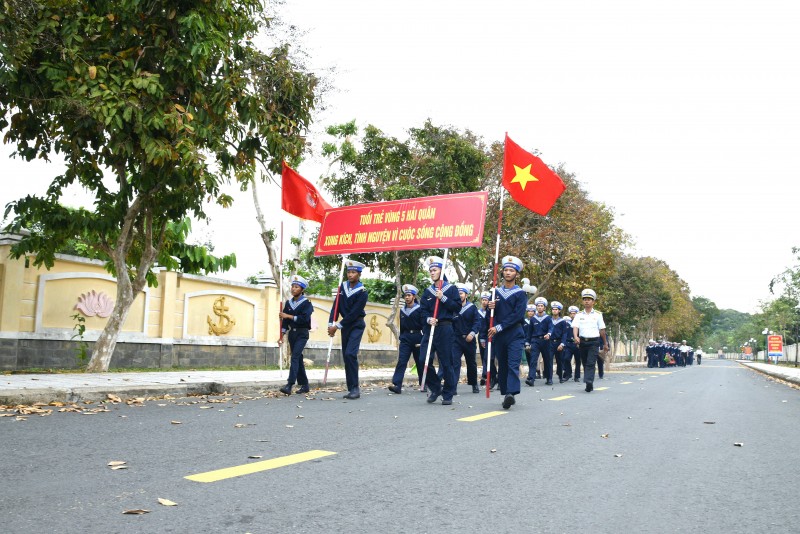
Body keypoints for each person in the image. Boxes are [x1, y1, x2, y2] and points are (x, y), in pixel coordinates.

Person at [419, 256, 461, 406]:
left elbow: (457, 307)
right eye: (430, 270)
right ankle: (436, 388)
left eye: (434, 270)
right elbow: (422, 312)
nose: (432, 272)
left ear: (441, 271)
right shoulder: (427, 292)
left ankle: (448, 393)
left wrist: (443, 298)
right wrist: (428, 319)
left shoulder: (451, 289)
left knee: (446, 362)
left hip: (445, 328)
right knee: (422, 360)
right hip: (430, 329)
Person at [487, 255, 527, 409]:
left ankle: (511, 392)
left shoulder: (520, 294)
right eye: (506, 270)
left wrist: (499, 326)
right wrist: (489, 308)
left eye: (511, 270)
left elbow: (517, 315)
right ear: (502, 272)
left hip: (515, 334)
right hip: (499, 335)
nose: (508, 272)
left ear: (516, 274)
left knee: (512, 363)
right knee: (502, 364)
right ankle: (506, 392)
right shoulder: (495, 293)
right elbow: (489, 317)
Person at [328, 260, 368, 400]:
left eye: (353, 272)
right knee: (346, 355)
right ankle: (350, 388)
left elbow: (354, 313)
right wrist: (330, 323)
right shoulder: (342, 287)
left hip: (356, 324)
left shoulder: (363, 292)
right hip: (345, 325)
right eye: (349, 272)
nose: (350, 275)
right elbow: (336, 307)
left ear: (359, 274)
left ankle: (355, 388)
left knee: (351, 354)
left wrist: (337, 326)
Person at [278, 275, 313, 395]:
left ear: (302, 289)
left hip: (302, 333)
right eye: (292, 286)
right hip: (292, 334)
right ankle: (305, 385)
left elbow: (304, 318)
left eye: (296, 287)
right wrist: (281, 335)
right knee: (298, 358)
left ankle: (289, 384)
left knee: (294, 357)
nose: (293, 289)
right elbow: (285, 322)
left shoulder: (306, 303)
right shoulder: (288, 303)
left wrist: (288, 316)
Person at [388, 284, 424, 394]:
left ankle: (424, 383)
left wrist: (424, 340)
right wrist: (401, 338)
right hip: (406, 338)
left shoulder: (420, 309)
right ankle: (397, 384)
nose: (407, 297)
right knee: (402, 361)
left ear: (414, 296)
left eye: (409, 295)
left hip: (418, 337)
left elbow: (424, 325)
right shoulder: (402, 310)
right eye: (405, 295)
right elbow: (402, 326)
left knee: (420, 362)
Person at [572, 288, 609, 393]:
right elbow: (575, 326)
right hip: (583, 342)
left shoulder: (598, 314)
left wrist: (605, 343)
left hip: (594, 342)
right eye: (585, 299)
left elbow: (602, 330)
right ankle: (590, 381)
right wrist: (576, 336)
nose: (587, 301)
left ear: (593, 302)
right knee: (584, 361)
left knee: (590, 362)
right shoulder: (579, 315)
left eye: (589, 299)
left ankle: (588, 381)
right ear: (583, 301)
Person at [453, 283, 482, 393]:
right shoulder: (453, 308)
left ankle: (474, 384)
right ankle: (453, 386)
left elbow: (477, 322)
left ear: (465, 294)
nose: (459, 295)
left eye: (461, 293)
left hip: (469, 339)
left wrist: (473, 333)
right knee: (455, 363)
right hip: (456, 340)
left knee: (471, 363)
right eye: (458, 293)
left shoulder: (472, 307)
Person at [526, 296, 553, 386]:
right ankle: (531, 379)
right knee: (533, 360)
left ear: (544, 307)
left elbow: (551, 328)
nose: (540, 307)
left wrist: (548, 334)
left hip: (546, 341)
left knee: (547, 360)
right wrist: (527, 343)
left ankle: (549, 378)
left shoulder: (548, 318)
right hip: (535, 341)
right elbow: (529, 332)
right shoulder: (533, 319)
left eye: (542, 306)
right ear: (536, 307)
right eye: (538, 306)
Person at [478, 291, 497, 389]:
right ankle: (493, 377)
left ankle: (501, 380)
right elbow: (484, 326)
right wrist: (482, 337)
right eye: (484, 300)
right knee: (488, 359)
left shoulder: (498, 310)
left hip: (499, 336)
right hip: (489, 337)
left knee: (502, 360)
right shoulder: (486, 312)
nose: (486, 302)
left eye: (488, 300)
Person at [548, 301, 570, 382]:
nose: (554, 310)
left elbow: (565, 333)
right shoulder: (548, 320)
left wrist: (562, 343)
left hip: (558, 343)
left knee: (559, 361)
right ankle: (549, 378)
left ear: (559, 311)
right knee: (549, 360)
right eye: (553, 309)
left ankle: (560, 377)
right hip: (550, 342)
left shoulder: (562, 321)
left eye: (556, 309)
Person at [564, 305, 581, 382]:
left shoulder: (580, 323)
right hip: (568, 344)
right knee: (566, 359)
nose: (572, 315)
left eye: (574, 313)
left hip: (577, 344)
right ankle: (568, 373)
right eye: (571, 313)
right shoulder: (567, 323)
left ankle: (577, 376)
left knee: (578, 361)